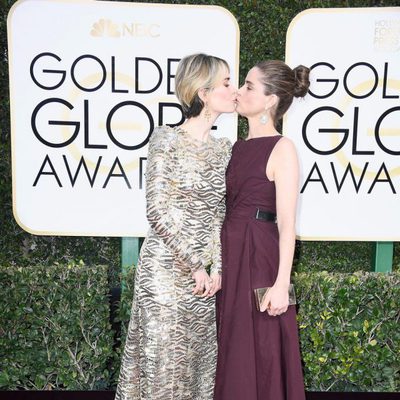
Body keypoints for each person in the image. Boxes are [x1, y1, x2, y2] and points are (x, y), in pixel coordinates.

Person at [115, 53, 236, 400]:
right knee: (162, 366)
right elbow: (156, 211)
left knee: (198, 368)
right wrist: (195, 264)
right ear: (203, 92)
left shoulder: (224, 149)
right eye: (226, 83)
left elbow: (218, 214)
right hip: (165, 273)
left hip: (205, 282)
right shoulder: (165, 140)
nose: (233, 90)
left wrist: (218, 270)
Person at [214, 60, 310, 400]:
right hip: (232, 254)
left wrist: (282, 283)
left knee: (262, 348)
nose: (238, 92)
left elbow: (286, 223)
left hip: (259, 258)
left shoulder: (282, 148)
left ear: (270, 100)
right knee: (234, 350)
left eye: (249, 86)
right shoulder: (235, 148)